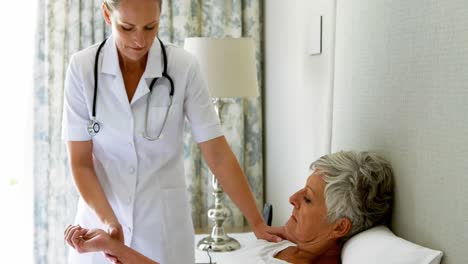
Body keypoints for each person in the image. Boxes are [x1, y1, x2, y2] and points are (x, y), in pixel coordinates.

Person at [62, 0, 279, 263]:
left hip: (162, 228)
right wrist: (111, 223)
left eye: (150, 27)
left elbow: (217, 153)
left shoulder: (182, 67)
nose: (140, 40)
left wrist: (256, 222)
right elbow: (81, 163)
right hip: (99, 224)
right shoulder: (83, 68)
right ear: (107, 14)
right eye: (127, 28)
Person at [65, 151, 394, 264]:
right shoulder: (287, 244)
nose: (293, 199)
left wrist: (113, 246)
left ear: (339, 228)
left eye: (307, 199)